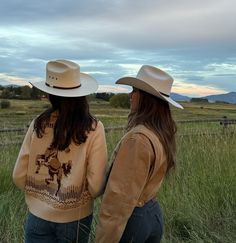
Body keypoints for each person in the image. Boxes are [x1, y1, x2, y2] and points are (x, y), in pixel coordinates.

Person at [12, 59, 107, 243]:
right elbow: (96, 186)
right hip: (76, 218)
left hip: (37, 216)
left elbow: (18, 175)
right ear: (81, 94)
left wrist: (39, 199)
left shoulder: (38, 124)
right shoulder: (94, 128)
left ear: (50, 95)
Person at [95, 65, 183, 243]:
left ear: (145, 98)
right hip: (152, 212)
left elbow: (120, 199)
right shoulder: (159, 132)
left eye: (134, 90)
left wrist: (105, 238)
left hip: (133, 219)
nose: (130, 95)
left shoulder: (138, 139)